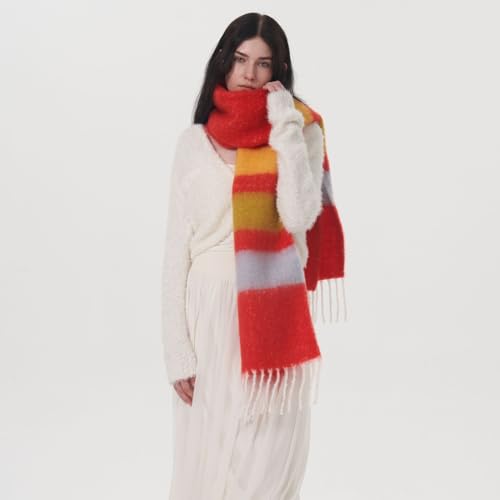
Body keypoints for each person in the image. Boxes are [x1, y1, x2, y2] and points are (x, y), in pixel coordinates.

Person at [161, 12, 346, 500]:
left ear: (278, 70)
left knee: (267, 469)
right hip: (207, 319)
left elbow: (300, 214)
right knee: (209, 465)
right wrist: (177, 351)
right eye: (240, 59)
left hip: (273, 320)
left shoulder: (299, 130)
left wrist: (284, 125)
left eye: (263, 64)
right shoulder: (192, 143)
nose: (248, 73)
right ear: (223, 61)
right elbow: (175, 252)